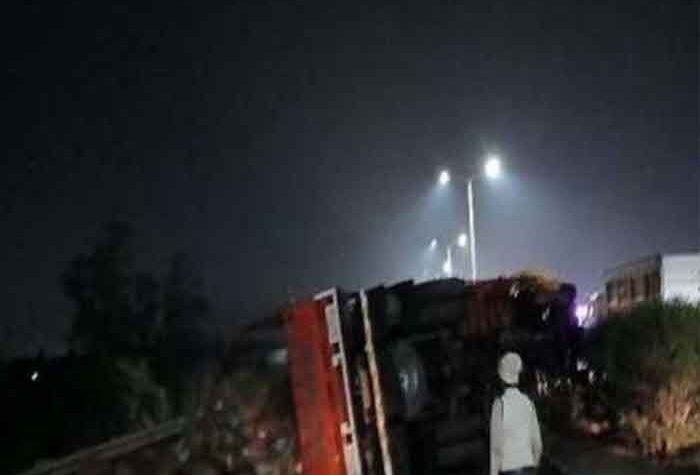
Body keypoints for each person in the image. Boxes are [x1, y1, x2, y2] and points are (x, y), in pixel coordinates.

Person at [490, 352, 542, 475]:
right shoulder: (528, 403)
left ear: (501, 379)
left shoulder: (499, 404)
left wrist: (493, 472)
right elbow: (537, 441)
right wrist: (534, 463)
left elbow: (496, 447)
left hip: (509, 468)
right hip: (528, 467)